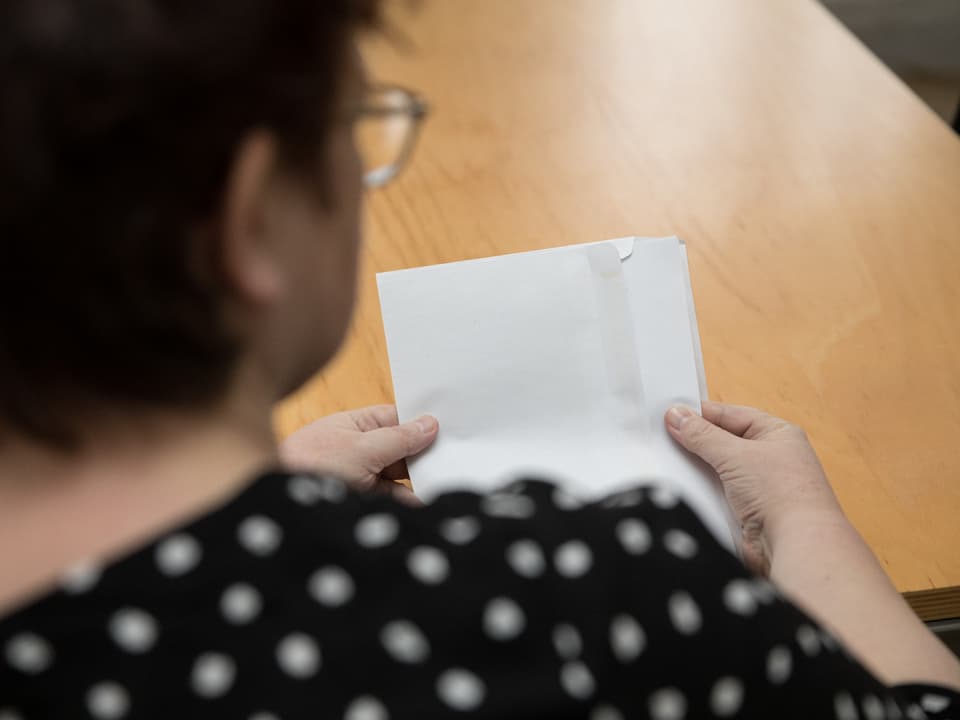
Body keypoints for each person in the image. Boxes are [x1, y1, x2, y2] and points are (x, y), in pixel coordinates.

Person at [0, 0, 958, 718]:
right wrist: (805, 523)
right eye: (352, 126)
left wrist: (256, 496)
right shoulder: (593, 601)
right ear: (247, 219)